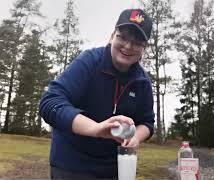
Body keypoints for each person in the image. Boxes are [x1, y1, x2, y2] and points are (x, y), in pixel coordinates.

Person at [39, 9, 155, 179]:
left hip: (114, 169)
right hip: (71, 165)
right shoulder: (89, 62)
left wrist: (136, 137)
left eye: (137, 42)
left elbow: (147, 122)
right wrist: (96, 129)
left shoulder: (142, 81)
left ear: (143, 48)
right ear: (112, 36)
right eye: (122, 37)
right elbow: (50, 102)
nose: (128, 46)